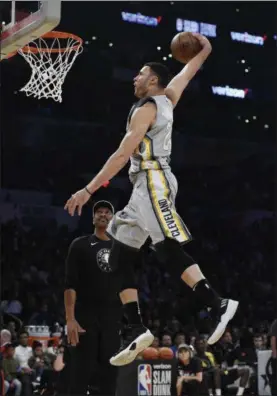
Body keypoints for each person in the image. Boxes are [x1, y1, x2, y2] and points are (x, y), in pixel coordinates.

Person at [64, 33, 238, 367]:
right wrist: (203, 47)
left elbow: (121, 154)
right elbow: (191, 67)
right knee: (118, 256)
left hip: (153, 181)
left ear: (153, 79)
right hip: (143, 186)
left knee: (165, 247)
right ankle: (135, 327)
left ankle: (217, 303)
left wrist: (88, 189)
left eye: (140, 73)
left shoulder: (145, 110)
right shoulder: (168, 97)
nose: (135, 77)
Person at [57, 201, 122, 396]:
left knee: (110, 372)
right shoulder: (80, 245)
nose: (103, 214)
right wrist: (70, 319)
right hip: (85, 316)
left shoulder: (123, 248)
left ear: (113, 218)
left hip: (112, 318)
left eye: (107, 212)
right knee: (81, 371)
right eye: (99, 212)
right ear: (93, 218)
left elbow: (128, 285)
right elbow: (70, 285)